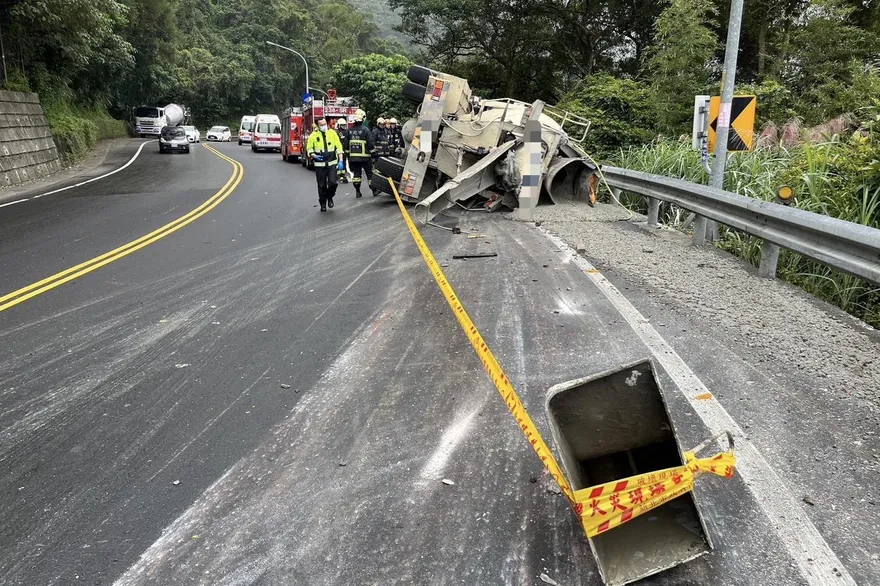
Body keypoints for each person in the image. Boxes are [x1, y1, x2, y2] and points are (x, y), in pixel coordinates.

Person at [306, 116, 344, 212]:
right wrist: (314, 155)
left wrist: (340, 161)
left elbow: (339, 147)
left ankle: (330, 197)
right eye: (321, 125)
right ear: (317, 125)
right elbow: (309, 149)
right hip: (320, 165)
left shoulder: (333, 133)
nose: (324, 126)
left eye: (325, 124)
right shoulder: (313, 135)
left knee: (333, 183)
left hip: (332, 164)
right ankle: (323, 203)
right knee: (321, 186)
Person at [343, 109, 378, 198]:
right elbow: (370, 144)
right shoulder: (366, 130)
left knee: (357, 175)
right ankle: (374, 190)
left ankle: (357, 192)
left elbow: (346, 146)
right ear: (362, 119)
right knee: (369, 174)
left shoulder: (348, 131)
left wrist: (348, 156)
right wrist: (374, 155)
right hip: (366, 158)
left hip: (354, 158)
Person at [335, 118, 350, 184]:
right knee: (338, 162)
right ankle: (337, 175)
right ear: (339, 125)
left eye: (344, 125)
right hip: (338, 150)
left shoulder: (346, 131)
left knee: (343, 162)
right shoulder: (337, 132)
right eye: (342, 125)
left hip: (344, 150)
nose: (344, 126)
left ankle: (342, 175)